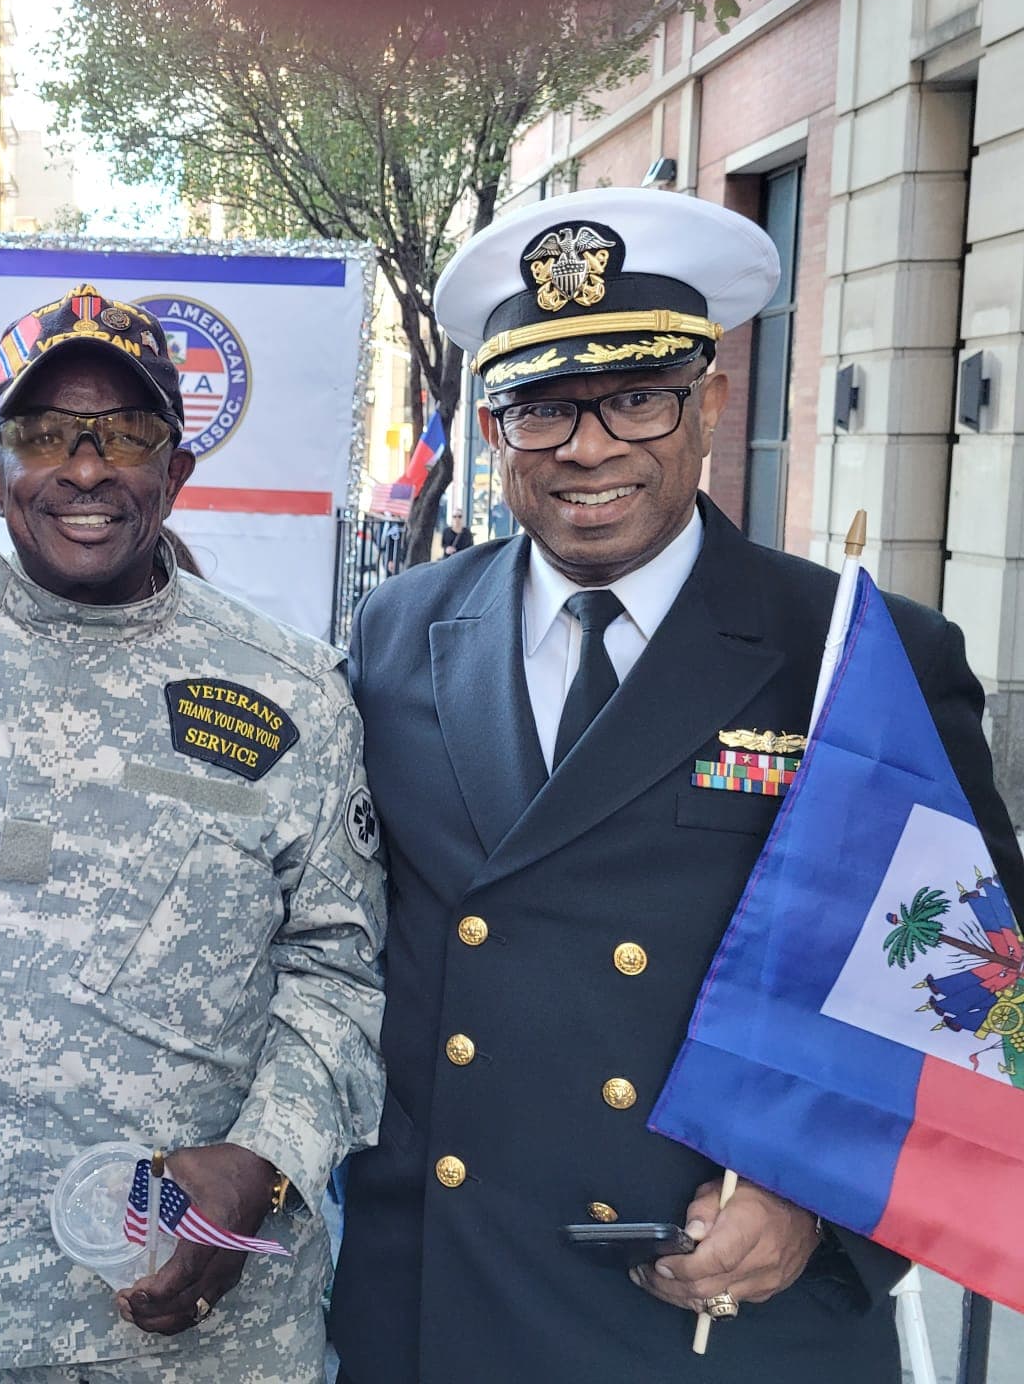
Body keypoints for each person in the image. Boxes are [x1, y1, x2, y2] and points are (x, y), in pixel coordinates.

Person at [326, 186, 1024, 1383]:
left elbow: (970, 996)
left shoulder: (853, 655)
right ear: (496, 430)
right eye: (541, 408)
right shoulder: (399, 631)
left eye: (635, 398)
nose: (588, 447)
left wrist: (824, 1216)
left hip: (722, 1317)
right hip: (442, 1297)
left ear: (708, 403)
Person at [0, 284, 386, 1383]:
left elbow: (341, 968)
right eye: (46, 433)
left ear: (178, 473)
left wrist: (266, 1156)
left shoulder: (290, 689)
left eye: (128, 435)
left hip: (205, 1330)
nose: (89, 467)